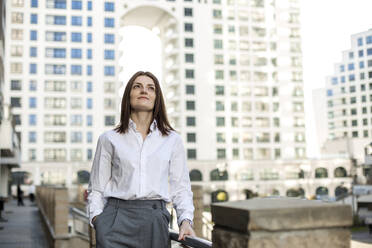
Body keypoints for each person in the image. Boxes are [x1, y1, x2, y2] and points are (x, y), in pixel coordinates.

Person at [87, 71, 195, 248]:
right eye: (137, 86)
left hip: (154, 220)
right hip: (114, 221)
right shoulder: (109, 139)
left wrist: (186, 221)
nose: (144, 90)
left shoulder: (172, 140)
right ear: (128, 95)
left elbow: (181, 188)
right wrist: (98, 220)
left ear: (156, 97)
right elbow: (96, 188)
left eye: (150, 88)